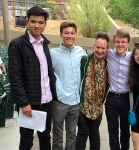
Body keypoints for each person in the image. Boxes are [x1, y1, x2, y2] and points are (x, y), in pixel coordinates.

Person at [8, 6, 57, 150]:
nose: (37, 25)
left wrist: (53, 96)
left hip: (46, 101)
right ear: (27, 21)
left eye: (40, 22)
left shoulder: (44, 43)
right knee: (27, 141)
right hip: (28, 103)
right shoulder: (17, 44)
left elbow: (46, 73)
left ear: (45, 24)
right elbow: (14, 76)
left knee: (45, 137)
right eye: (33, 22)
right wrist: (24, 103)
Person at [50, 22, 86, 150]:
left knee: (72, 136)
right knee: (58, 136)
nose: (69, 36)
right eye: (66, 33)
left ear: (76, 35)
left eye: (72, 33)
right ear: (61, 34)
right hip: (59, 102)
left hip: (75, 102)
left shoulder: (81, 52)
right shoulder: (52, 54)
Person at [75, 32, 110, 150]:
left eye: (103, 48)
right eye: (98, 47)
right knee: (82, 133)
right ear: (94, 47)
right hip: (83, 106)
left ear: (107, 49)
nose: (100, 50)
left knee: (95, 134)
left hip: (98, 107)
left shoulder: (109, 63)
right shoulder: (85, 60)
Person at [105, 29, 131, 150]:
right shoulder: (108, 54)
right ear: (114, 43)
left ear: (128, 43)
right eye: (117, 42)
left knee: (125, 129)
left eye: (123, 42)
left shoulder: (133, 58)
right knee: (112, 129)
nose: (120, 44)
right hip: (111, 99)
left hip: (126, 98)